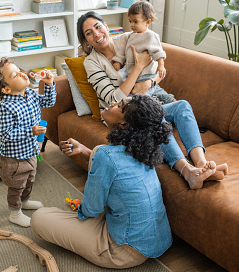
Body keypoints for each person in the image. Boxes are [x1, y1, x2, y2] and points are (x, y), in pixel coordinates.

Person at [77, 11, 228, 187]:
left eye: (97, 26)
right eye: (88, 33)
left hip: (149, 99)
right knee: (151, 119)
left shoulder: (130, 38)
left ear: (106, 26)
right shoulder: (91, 62)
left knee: (182, 106)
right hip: (121, 112)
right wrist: (138, 67)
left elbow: (157, 69)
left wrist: (148, 83)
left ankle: (201, 164)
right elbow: (112, 97)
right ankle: (187, 171)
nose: (96, 34)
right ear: (86, 41)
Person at [31, 95, 175, 269]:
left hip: (122, 251)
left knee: (39, 218)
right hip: (158, 241)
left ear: (124, 124)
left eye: (119, 106)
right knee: (98, 154)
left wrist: (82, 210)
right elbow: (117, 168)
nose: (113, 103)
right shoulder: (143, 148)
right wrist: (85, 151)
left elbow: (92, 209)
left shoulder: (106, 156)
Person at [0, 57, 56, 227]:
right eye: (15, 74)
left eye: (19, 70)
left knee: (30, 180)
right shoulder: (5, 108)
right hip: (13, 159)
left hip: (30, 151)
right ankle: (15, 213)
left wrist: (49, 84)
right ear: (7, 89)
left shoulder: (30, 94)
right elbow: (6, 134)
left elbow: (48, 101)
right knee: (16, 186)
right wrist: (30, 131)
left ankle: (25, 201)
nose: (23, 74)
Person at [111, 1, 174, 104]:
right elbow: (123, 52)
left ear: (148, 22)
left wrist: (161, 65)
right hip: (133, 77)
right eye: (130, 21)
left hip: (146, 75)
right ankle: (167, 101)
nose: (131, 24)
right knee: (154, 92)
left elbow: (158, 52)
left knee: (145, 100)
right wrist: (118, 61)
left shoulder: (151, 36)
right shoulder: (131, 36)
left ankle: (169, 101)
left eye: (135, 21)